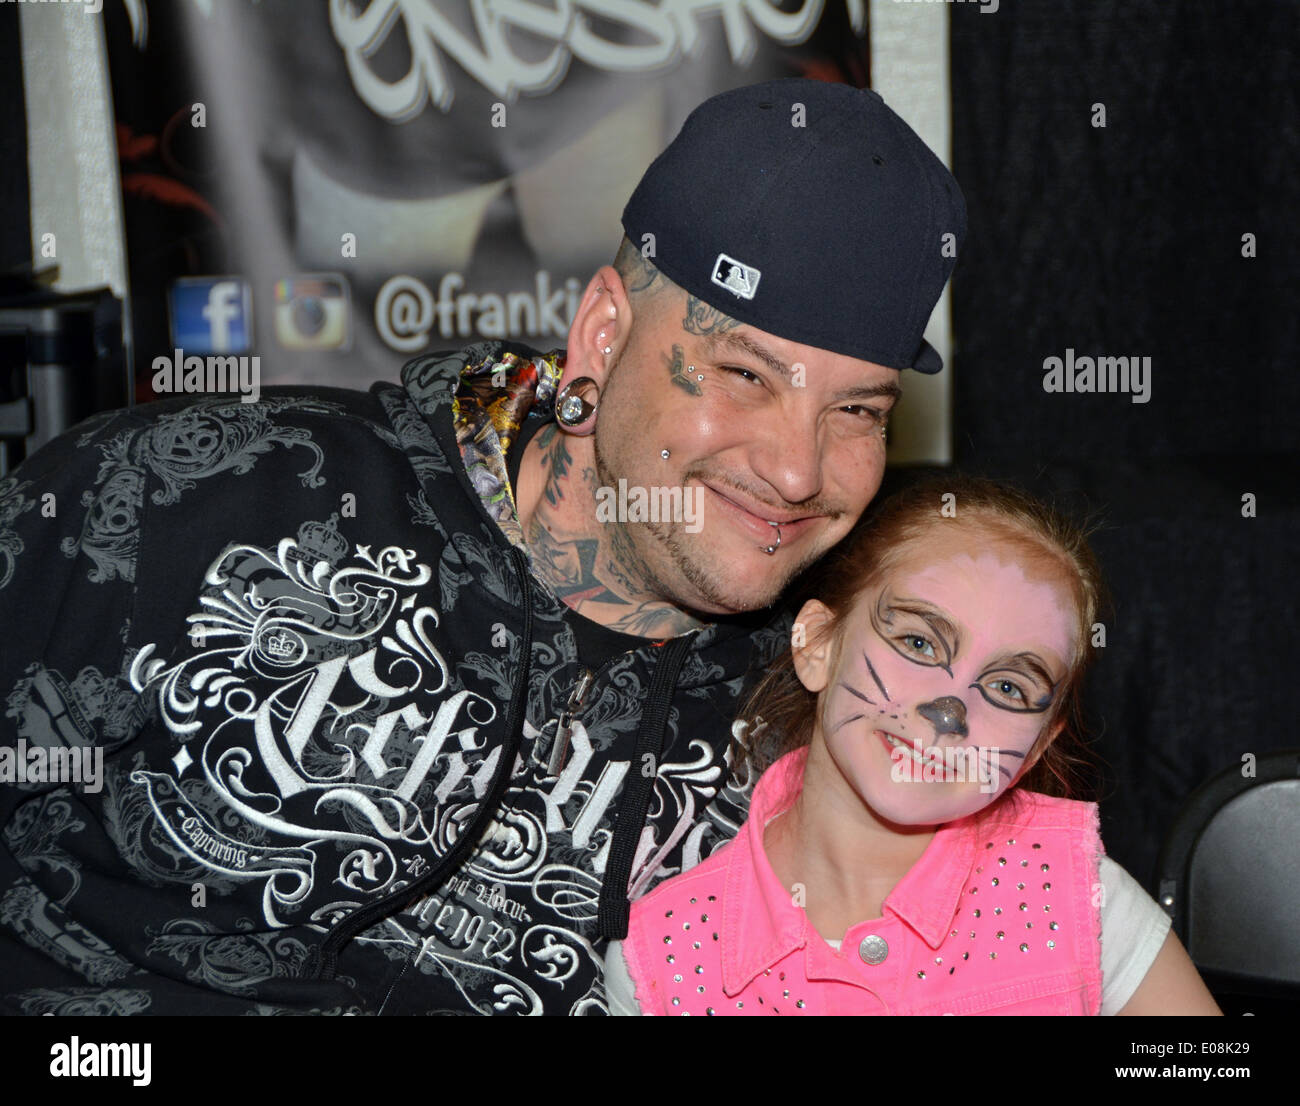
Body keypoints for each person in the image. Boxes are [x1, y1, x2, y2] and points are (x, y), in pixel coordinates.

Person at [0, 79, 965, 1014]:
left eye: (855, 410)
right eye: (744, 375)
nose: (798, 472)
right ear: (601, 335)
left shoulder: (830, 714)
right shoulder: (198, 493)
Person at [605, 476, 1223, 1015]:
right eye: (920, 644)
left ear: (1037, 747)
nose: (949, 714)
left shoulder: (1078, 898)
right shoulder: (665, 961)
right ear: (819, 643)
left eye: (1008, 686)